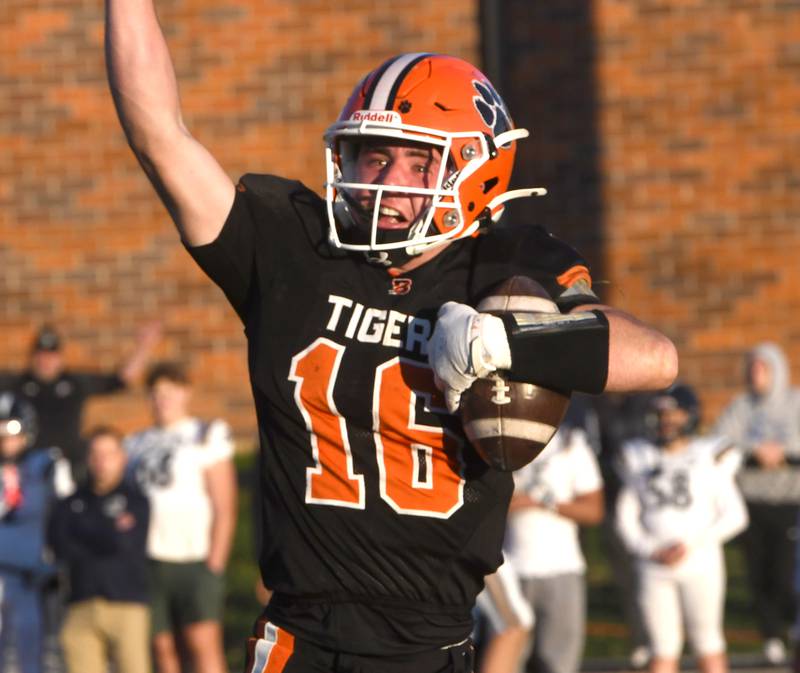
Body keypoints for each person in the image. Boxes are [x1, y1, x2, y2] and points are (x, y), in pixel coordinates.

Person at [105, 7, 678, 668]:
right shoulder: (298, 246)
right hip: (302, 632)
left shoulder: (503, 266)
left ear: (476, 168)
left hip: (432, 641)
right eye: (373, 155)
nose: (386, 181)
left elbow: (653, 357)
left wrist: (506, 341)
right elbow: (159, 134)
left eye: (416, 160)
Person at [616, 384, 748, 673]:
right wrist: (651, 548)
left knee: (708, 643)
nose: (666, 421)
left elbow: (735, 515)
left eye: (673, 413)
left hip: (700, 564)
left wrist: (691, 544)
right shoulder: (640, 456)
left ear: (689, 416)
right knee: (662, 649)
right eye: (660, 414)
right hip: (654, 566)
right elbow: (625, 518)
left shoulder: (708, 456)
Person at [125, 361, 237, 673]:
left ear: (185, 393)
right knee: (161, 647)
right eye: (156, 392)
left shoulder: (205, 434)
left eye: (170, 391)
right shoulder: (134, 443)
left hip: (194, 556)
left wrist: (215, 562)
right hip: (149, 558)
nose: (163, 399)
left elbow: (224, 506)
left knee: (202, 643)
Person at [712, 342, 800, 664]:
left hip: (789, 502)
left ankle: (791, 625)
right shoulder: (740, 407)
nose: (755, 373)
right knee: (758, 573)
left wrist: (784, 451)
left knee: (785, 572)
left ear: (777, 370)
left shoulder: (794, 402)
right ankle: (771, 636)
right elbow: (721, 441)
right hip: (751, 502)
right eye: (751, 367)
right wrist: (753, 450)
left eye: (762, 367)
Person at [0, 321, 161, 485]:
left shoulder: (74, 383)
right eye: (41, 354)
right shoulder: (18, 385)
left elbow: (121, 380)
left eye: (52, 354)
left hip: (71, 467)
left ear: (60, 357)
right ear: (33, 357)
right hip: (29, 469)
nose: (46, 360)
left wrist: (144, 347)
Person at [49, 426, 151, 673]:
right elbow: (61, 546)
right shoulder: (71, 502)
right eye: (95, 454)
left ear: (122, 458)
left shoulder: (136, 499)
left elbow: (125, 543)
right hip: (81, 603)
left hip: (126, 604)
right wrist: (107, 530)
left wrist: (85, 531)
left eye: (109, 454)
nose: (101, 461)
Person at [503, 424, 604, 673]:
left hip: (561, 567)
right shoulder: (499, 437)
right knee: (505, 662)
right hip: (507, 570)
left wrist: (543, 503)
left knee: (558, 664)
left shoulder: (571, 443)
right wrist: (512, 504)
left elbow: (594, 510)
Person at [0, 393, 70, 673]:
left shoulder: (47, 465)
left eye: (12, 429)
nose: (6, 437)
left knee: (37, 647)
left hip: (35, 572)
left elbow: (65, 513)